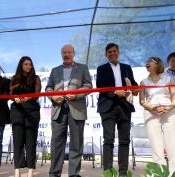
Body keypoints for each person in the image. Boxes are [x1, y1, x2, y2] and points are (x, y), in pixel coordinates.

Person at [46, 44, 92, 177]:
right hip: (58, 109)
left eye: (69, 52)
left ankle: (74, 174)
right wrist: (53, 96)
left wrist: (76, 94)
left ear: (73, 53)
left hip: (76, 108)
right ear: (61, 54)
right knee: (56, 144)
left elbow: (88, 86)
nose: (66, 54)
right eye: (64, 52)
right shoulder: (55, 70)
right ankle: (54, 174)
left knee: (76, 144)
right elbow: (48, 88)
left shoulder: (83, 68)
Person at [96, 43, 138, 176]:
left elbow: (133, 83)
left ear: (118, 52)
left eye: (114, 51)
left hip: (125, 106)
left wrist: (135, 89)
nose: (112, 53)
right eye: (109, 52)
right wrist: (115, 92)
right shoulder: (101, 68)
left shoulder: (127, 67)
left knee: (124, 141)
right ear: (106, 54)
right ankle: (108, 173)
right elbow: (100, 87)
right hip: (107, 106)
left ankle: (122, 173)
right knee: (108, 141)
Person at [140, 57, 175, 175]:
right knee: (156, 147)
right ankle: (160, 174)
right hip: (151, 113)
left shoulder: (168, 79)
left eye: (150, 61)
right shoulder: (143, 82)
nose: (147, 62)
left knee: (172, 145)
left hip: (169, 112)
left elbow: (174, 96)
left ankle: (173, 173)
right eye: (147, 61)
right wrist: (152, 108)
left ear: (157, 64)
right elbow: (142, 101)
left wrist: (170, 107)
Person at [10, 56, 41, 177]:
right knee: (17, 140)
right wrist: (15, 98)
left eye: (30, 64)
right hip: (17, 111)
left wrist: (30, 97)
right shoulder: (14, 78)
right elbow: (11, 94)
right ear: (21, 65)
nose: (29, 66)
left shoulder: (35, 78)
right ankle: (17, 170)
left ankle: (30, 171)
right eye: (26, 64)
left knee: (31, 141)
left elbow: (37, 93)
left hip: (32, 111)